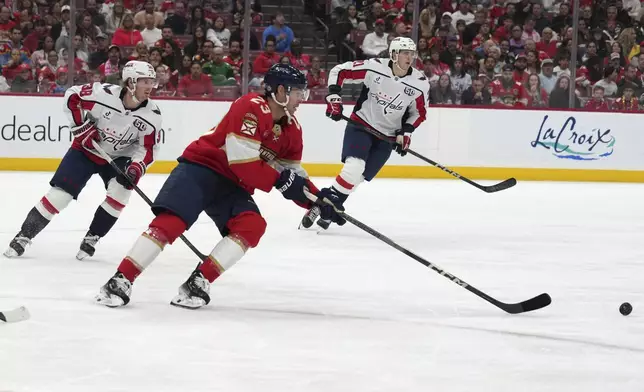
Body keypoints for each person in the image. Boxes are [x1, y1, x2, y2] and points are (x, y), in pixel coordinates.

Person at [94, 64, 341, 309]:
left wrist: (317, 201)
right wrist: (282, 181)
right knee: (173, 222)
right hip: (201, 168)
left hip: (232, 184)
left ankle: (198, 282)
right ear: (280, 91)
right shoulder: (251, 107)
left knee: (251, 225)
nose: (302, 99)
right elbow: (244, 162)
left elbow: (293, 174)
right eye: (298, 92)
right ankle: (120, 280)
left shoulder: (292, 129)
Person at [3, 61, 161, 260]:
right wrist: (81, 127)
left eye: (151, 82)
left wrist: (136, 168)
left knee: (120, 195)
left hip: (120, 157)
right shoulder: (103, 94)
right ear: (130, 82)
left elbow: (147, 149)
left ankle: (92, 237)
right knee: (60, 196)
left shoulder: (152, 115)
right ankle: (24, 235)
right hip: (86, 149)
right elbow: (72, 96)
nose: (150, 86)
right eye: (144, 81)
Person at [301, 37, 430, 230]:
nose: (409, 57)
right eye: (405, 53)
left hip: (387, 137)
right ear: (394, 54)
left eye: (412, 54)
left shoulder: (420, 83)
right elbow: (339, 71)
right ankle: (328, 209)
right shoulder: (375, 67)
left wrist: (407, 132)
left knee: (357, 178)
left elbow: (419, 113)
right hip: (361, 125)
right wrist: (334, 97)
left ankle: (325, 206)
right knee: (354, 167)